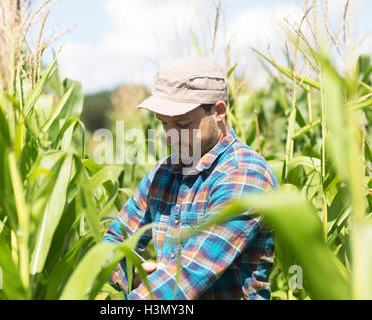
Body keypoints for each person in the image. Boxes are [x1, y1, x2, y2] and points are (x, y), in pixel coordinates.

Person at [102, 56, 279, 300]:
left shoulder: (245, 175)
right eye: (164, 124)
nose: (170, 136)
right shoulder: (164, 172)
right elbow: (115, 239)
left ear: (218, 111)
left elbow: (190, 273)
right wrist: (130, 273)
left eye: (183, 124)